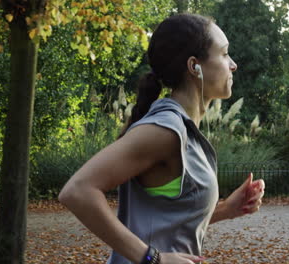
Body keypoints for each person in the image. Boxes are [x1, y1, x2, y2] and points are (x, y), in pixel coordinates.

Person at [59, 13, 265, 264]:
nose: (233, 65)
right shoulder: (165, 129)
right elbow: (77, 191)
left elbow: (165, 219)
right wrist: (152, 259)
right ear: (194, 67)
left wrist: (226, 210)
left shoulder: (183, 129)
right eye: (224, 54)